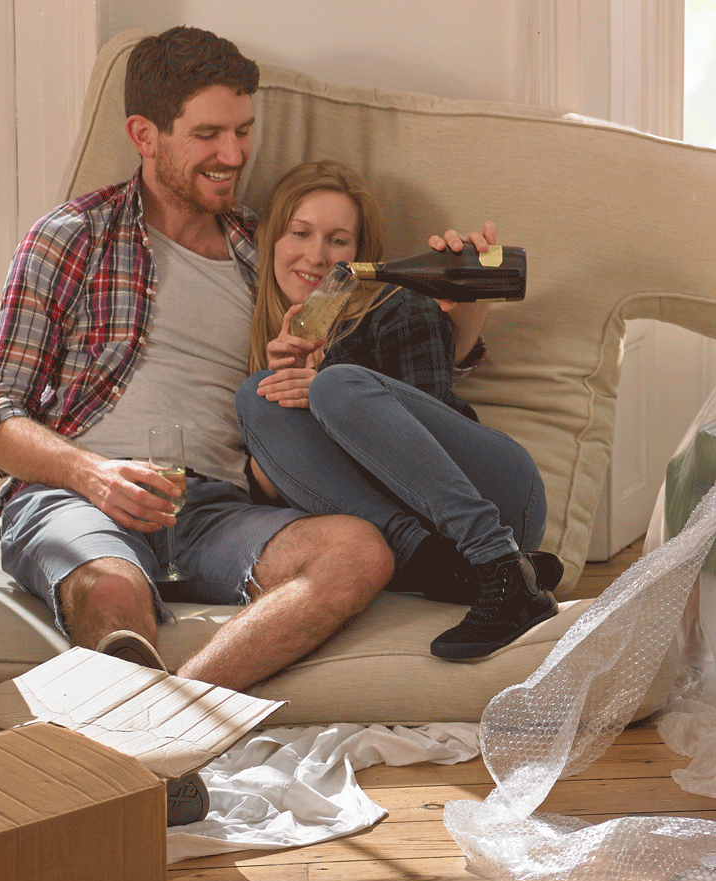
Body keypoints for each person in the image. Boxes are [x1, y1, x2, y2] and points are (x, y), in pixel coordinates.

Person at [0, 27, 399, 708]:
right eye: (208, 135)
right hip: (83, 493)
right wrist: (95, 475)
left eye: (243, 131)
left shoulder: (270, 252)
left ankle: (177, 720)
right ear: (145, 134)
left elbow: (383, 345)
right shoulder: (70, 238)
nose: (233, 155)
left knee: (360, 551)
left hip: (215, 509)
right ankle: (161, 738)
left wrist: (467, 302)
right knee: (110, 587)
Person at [233, 160, 558, 660]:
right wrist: (287, 417)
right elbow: (291, 501)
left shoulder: (399, 307)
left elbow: (423, 453)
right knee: (256, 394)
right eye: (301, 233)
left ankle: (502, 571)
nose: (316, 256)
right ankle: (443, 570)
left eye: (338, 241)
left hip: (498, 503)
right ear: (274, 240)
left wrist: (325, 394)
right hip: (426, 555)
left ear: (360, 255)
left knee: (335, 387)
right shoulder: (279, 343)